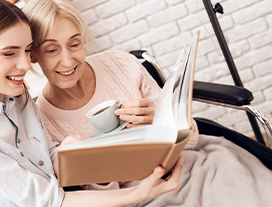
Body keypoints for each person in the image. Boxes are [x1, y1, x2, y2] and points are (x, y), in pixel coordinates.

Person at [0, 0, 185, 206]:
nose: (24, 64)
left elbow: (46, 155)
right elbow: (49, 199)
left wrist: (68, 151)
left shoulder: (18, 100)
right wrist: (138, 194)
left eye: (27, 50)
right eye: (10, 53)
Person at [23, 0, 199, 190]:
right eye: (51, 50)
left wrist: (161, 120)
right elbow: (107, 198)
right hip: (140, 197)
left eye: (74, 44)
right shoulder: (43, 121)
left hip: (187, 167)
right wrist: (95, 170)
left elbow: (193, 138)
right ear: (33, 56)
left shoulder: (122, 63)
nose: (67, 61)